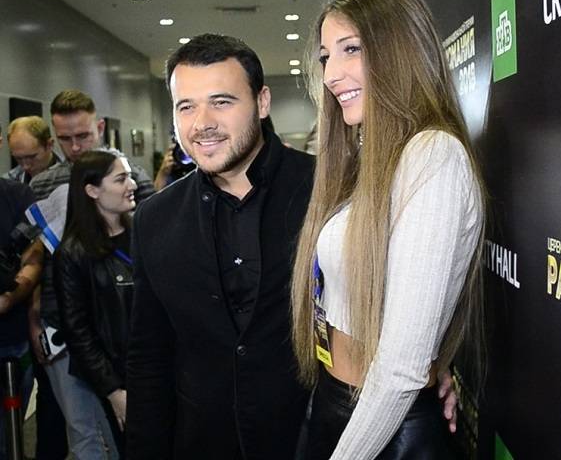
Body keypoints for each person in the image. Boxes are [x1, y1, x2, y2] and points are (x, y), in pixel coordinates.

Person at [126, 33, 457, 460]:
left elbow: (394, 300)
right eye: (185, 106)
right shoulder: (155, 218)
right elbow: (148, 357)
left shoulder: (336, 190)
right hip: (203, 443)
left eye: (221, 102)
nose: (201, 122)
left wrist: (433, 364)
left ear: (262, 102)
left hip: (317, 436)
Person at [291, 0, 486, 460]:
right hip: (335, 403)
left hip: (388, 430)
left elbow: (400, 366)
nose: (331, 74)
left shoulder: (433, 156)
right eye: (326, 56)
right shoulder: (370, 156)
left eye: (351, 49)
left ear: (399, 50)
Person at [27, 89, 154, 460]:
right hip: (63, 321)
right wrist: (34, 318)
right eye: (64, 138)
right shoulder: (41, 184)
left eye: (82, 135)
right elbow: (36, 258)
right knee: (84, 430)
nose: (75, 146)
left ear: (98, 127)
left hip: (122, 322)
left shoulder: (131, 178)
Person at [55, 149, 137, 459]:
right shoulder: (73, 253)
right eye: (120, 179)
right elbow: (78, 331)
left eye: (129, 176)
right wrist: (114, 391)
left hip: (160, 368)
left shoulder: (143, 232)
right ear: (92, 191)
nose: (131, 185)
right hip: (120, 377)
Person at [0, 123, 44, 460]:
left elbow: (34, 260)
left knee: (8, 439)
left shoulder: (18, 196)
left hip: (10, 343)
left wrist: (8, 298)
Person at [3, 116, 62, 184]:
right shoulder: (9, 182)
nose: (26, 167)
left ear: (49, 145)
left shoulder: (69, 175)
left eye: (31, 157)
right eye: (18, 158)